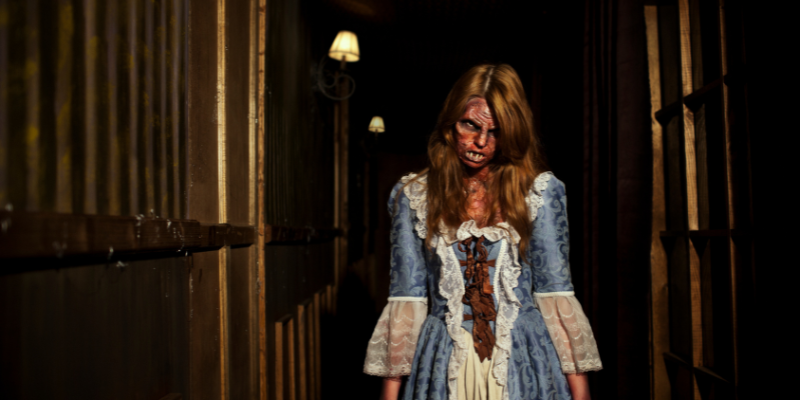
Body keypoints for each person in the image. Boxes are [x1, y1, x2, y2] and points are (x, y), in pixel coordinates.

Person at [363, 64, 602, 400]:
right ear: (450, 122)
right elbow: (407, 298)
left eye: (496, 131)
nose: (480, 141)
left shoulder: (539, 191)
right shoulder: (414, 195)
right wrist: (390, 395)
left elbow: (555, 293)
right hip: (443, 359)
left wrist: (581, 394)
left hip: (523, 361)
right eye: (470, 125)